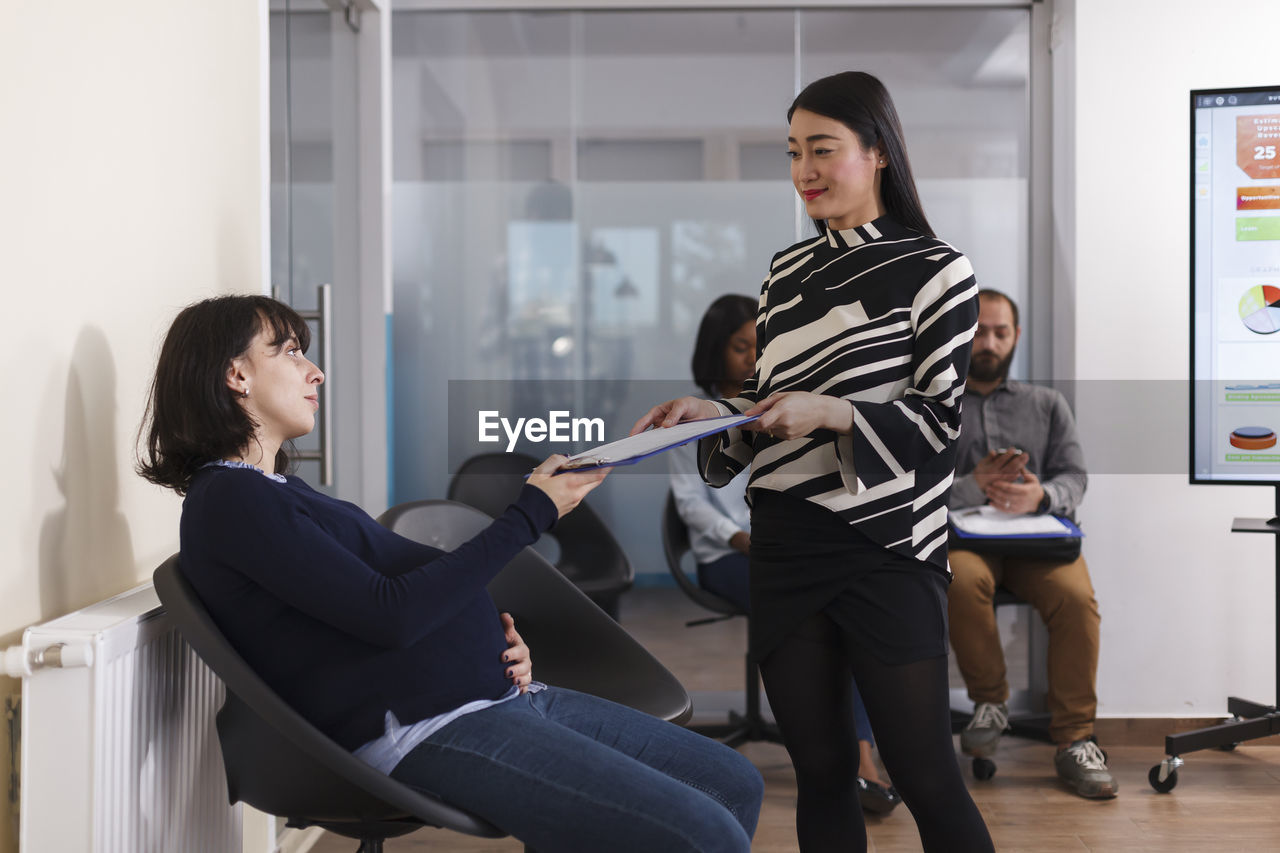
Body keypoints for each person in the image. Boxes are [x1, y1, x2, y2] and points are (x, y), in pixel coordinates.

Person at [136, 294, 764, 852]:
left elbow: (379, 604)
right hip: (430, 725)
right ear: (236, 373)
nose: (315, 370)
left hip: (500, 695)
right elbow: (391, 613)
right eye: (291, 351)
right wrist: (531, 514)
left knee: (732, 780)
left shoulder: (277, 494)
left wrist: (495, 636)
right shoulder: (231, 502)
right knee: (701, 832)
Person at [633, 72, 993, 853]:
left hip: (887, 546)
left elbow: (939, 424)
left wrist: (834, 413)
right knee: (822, 771)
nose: (805, 170)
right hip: (788, 545)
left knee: (924, 769)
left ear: (878, 155)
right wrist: (713, 412)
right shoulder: (785, 273)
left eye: (823, 149)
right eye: (794, 151)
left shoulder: (939, 270)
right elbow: (766, 407)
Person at [669, 292, 900, 815]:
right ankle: (851, 761)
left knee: (844, 612)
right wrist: (741, 537)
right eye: (738, 347)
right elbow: (691, 507)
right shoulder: (692, 416)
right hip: (726, 557)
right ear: (715, 351)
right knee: (815, 618)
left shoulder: (784, 407)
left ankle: (858, 757)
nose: (752, 358)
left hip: (785, 547)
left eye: (759, 345)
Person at [947, 288, 1114, 798]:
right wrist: (975, 484)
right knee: (959, 580)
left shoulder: (1047, 405)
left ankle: (1075, 739)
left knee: (1077, 600)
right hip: (968, 541)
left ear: (1016, 337)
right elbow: (915, 488)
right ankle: (991, 701)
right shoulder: (934, 408)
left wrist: (1040, 496)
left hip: (1038, 542)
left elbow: (1076, 478)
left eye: (1000, 332)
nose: (990, 342)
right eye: (979, 331)